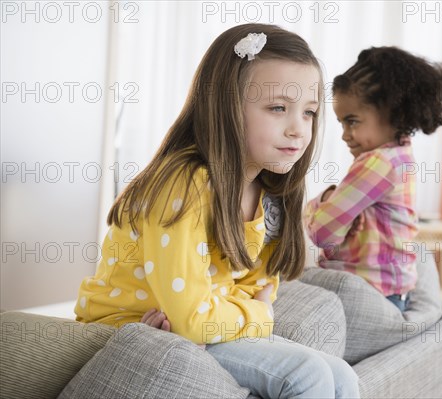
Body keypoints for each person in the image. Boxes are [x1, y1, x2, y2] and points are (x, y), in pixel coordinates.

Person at [74, 23, 359, 399]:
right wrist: (256, 318)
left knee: (340, 375)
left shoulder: (270, 192)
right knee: (306, 375)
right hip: (124, 326)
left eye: (308, 112)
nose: (298, 130)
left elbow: (255, 289)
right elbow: (196, 317)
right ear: (225, 105)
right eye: (278, 108)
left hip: (197, 324)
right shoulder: (184, 183)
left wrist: (223, 318)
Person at [304, 46, 442, 312]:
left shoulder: (377, 163)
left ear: (392, 112)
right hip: (392, 294)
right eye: (341, 123)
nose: (344, 134)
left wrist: (320, 202)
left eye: (352, 121)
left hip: (369, 297)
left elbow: (322, 233)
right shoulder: (401, 154)